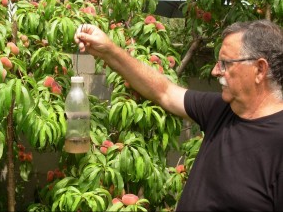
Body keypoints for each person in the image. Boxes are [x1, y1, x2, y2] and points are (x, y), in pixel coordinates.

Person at [74, 19, 283, 211]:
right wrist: (108, 51)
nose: (215, 71)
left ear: (259, 69)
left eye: (225, 64)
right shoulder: (221, 110)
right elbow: (163, 91)